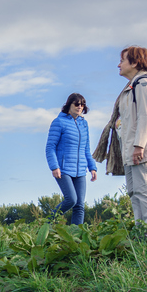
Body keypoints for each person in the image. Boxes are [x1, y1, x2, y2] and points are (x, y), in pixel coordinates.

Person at [116, 46, 147, 224]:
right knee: (134, 191)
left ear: (135, 62)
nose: (118, 64)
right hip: (131, 148)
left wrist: (139, 146)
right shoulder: (133, 86)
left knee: (144, 190)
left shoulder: (144, 84)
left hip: (141, 147)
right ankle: (141, 230)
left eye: (122, 60)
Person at [45, 93, 98, 225]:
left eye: (82, 104)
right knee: (71, 200)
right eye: (77, 104)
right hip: (63, 169)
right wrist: (54, 166)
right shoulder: (59, 122)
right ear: (69, 105)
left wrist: (92, 167)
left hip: (80, 170)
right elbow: (50, 147)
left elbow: (86, 149)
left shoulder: (84, 124)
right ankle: (46, 225)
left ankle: (76, 238)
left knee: (79, 206)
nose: (80, 106)